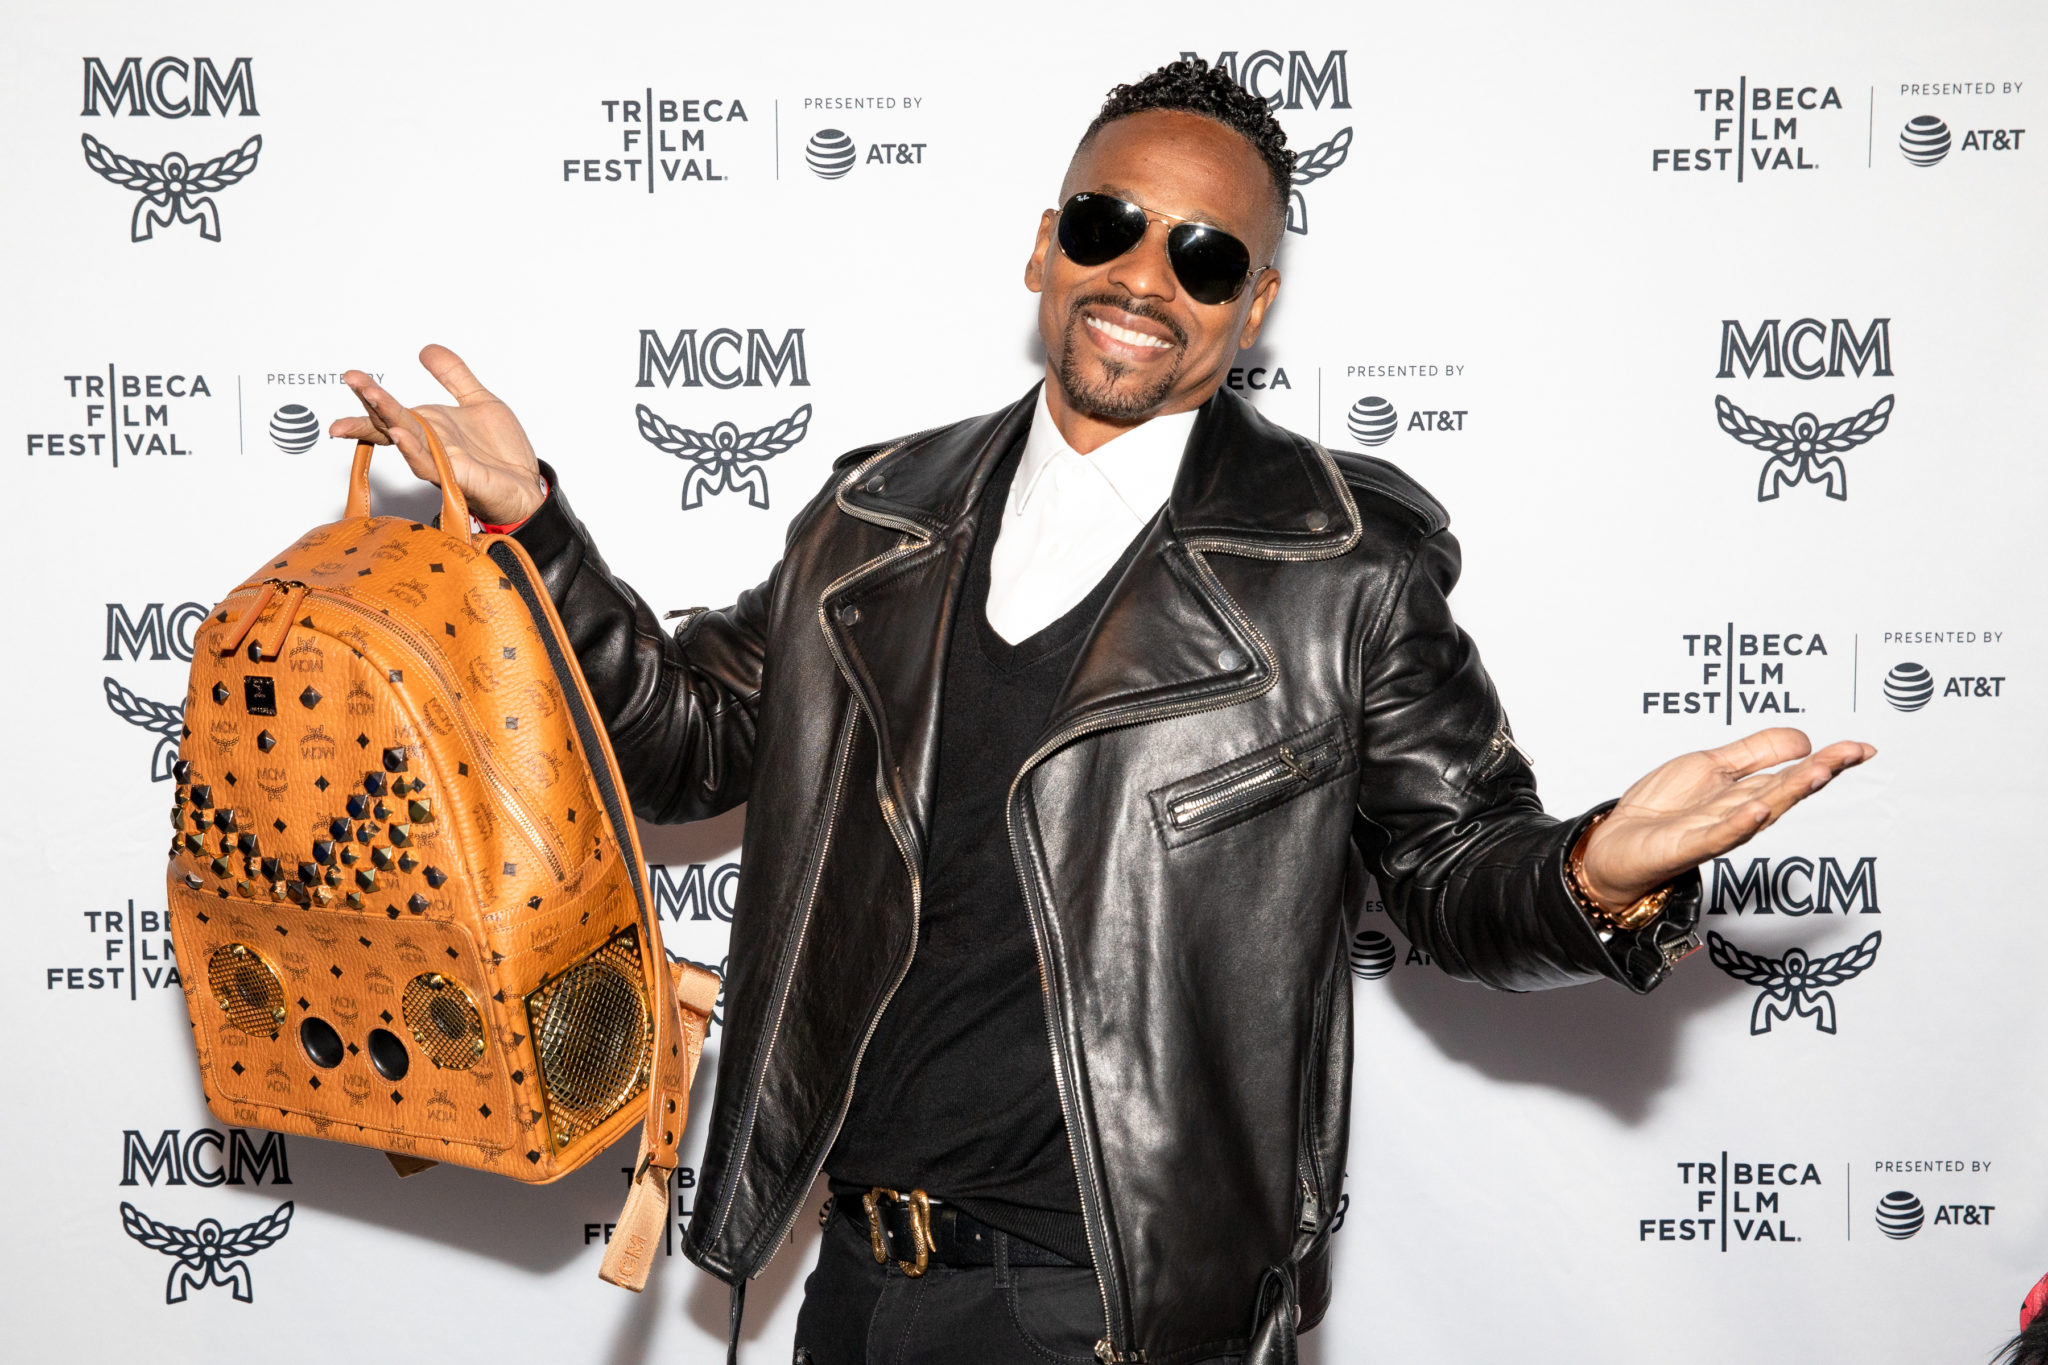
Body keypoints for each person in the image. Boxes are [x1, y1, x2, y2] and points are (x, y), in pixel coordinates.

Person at [333, 59, 1873, 1365]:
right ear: (1044, 248)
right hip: (860, 1282)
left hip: (1119, 1305)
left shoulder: (1340, 565)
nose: (1144, 277)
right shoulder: (872, 517)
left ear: (1253, 306)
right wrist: (533, 528)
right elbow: (681, 742)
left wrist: (1596, 872)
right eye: (1106, 224)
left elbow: (1453, 868)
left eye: (1205, 256)